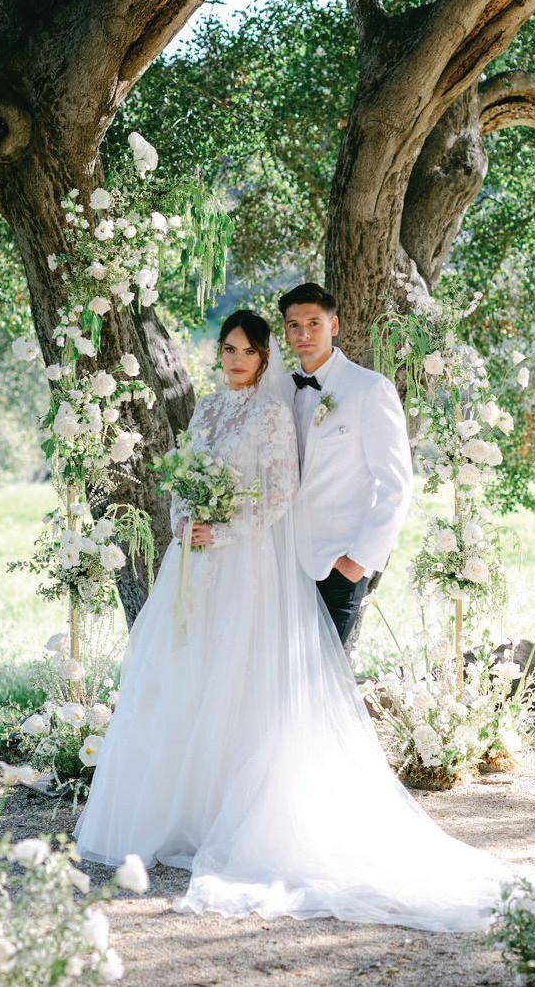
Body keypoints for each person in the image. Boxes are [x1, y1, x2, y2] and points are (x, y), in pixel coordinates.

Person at [74, 308, 510, 931]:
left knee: (248, 681)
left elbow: (281, 493)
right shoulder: (205, 409)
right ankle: (185, 812)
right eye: (227, 350)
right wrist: (183, 524)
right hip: (194, 563)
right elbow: (181, 479)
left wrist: (225, 530)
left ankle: (248, 815)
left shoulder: (277, 412)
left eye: (247, 351)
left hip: (249, 564)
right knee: (187, 675)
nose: (235, 360)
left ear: (264, 356)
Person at [280, 282, 412, 646]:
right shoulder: (281, 390)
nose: (304, 334)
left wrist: (358, 561)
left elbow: (396, 484)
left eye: (314, 323)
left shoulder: (369, 389)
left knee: (322, 672)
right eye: (294, 325)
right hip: (283, 564)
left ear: (333, 325)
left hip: (339, 564)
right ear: (286, 332)